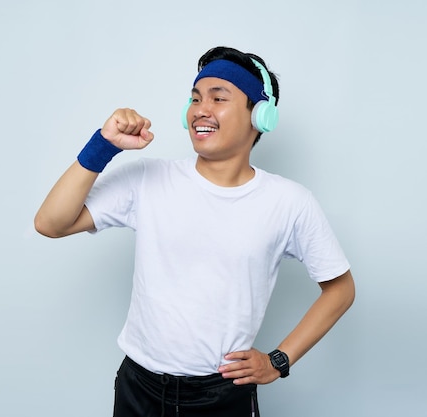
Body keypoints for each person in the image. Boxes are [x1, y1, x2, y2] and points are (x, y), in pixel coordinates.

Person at [34, 46, 355, 417]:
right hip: (139, 388)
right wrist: (102, 146)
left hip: (222, 396)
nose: (201, 109)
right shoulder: (148, 178)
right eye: (195, 98)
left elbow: (340, 289)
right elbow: (50, 223)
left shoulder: (289, 202)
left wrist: (279, 360)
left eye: (219, 98)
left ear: (261, 115)